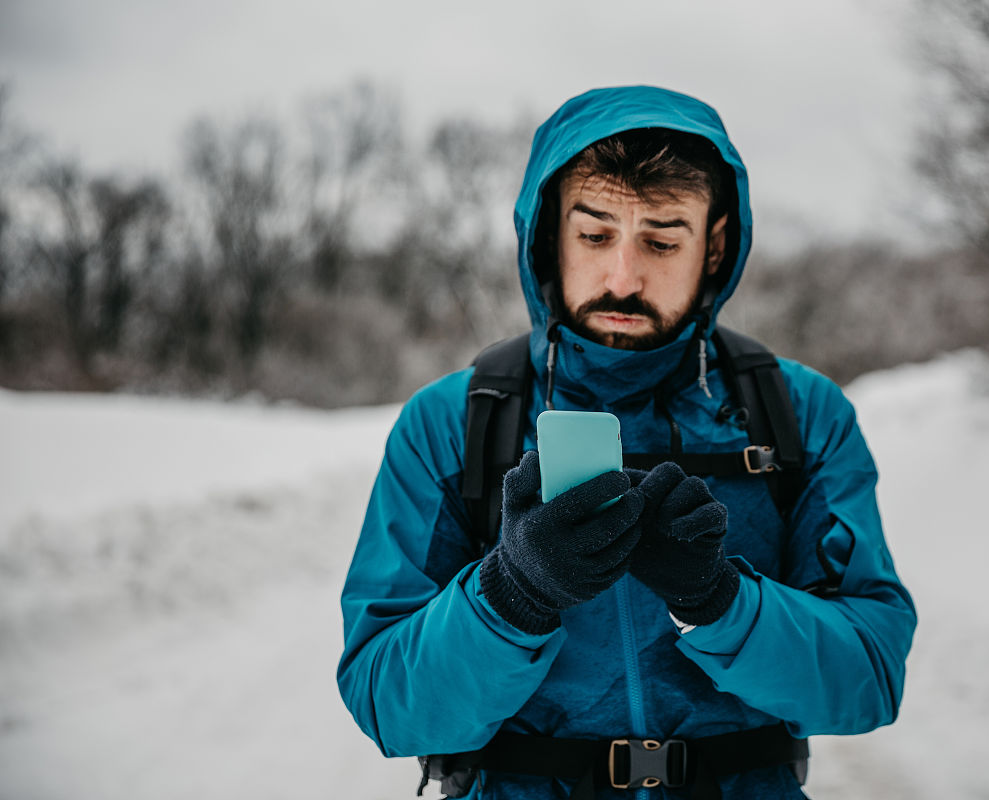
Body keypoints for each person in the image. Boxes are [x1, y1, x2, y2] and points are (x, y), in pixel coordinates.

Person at [337, 86, 916, 800]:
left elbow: (870, 681)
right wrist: (511, 593)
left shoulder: (798, 414)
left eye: (662, 241)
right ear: (549, 234)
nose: (623, 278)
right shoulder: (451, 423)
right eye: (594, 234)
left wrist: (722, 600)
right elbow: (389, 706)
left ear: (717, 245)